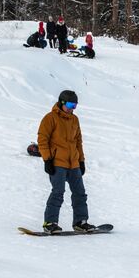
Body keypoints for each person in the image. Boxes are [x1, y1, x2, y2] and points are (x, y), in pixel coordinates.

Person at [37, 90, 96, 234]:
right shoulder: (50, 118)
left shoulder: (74, 120)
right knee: (58, 192)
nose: (72, 108)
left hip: (73, 163)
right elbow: (42, 140)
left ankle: (80, 222)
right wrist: (47, 160)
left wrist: (81, 161)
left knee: (80, 193)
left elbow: (78, 142)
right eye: (70, 104)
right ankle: (49, 223)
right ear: (62, 102)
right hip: (57, 162)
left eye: (75, 105)